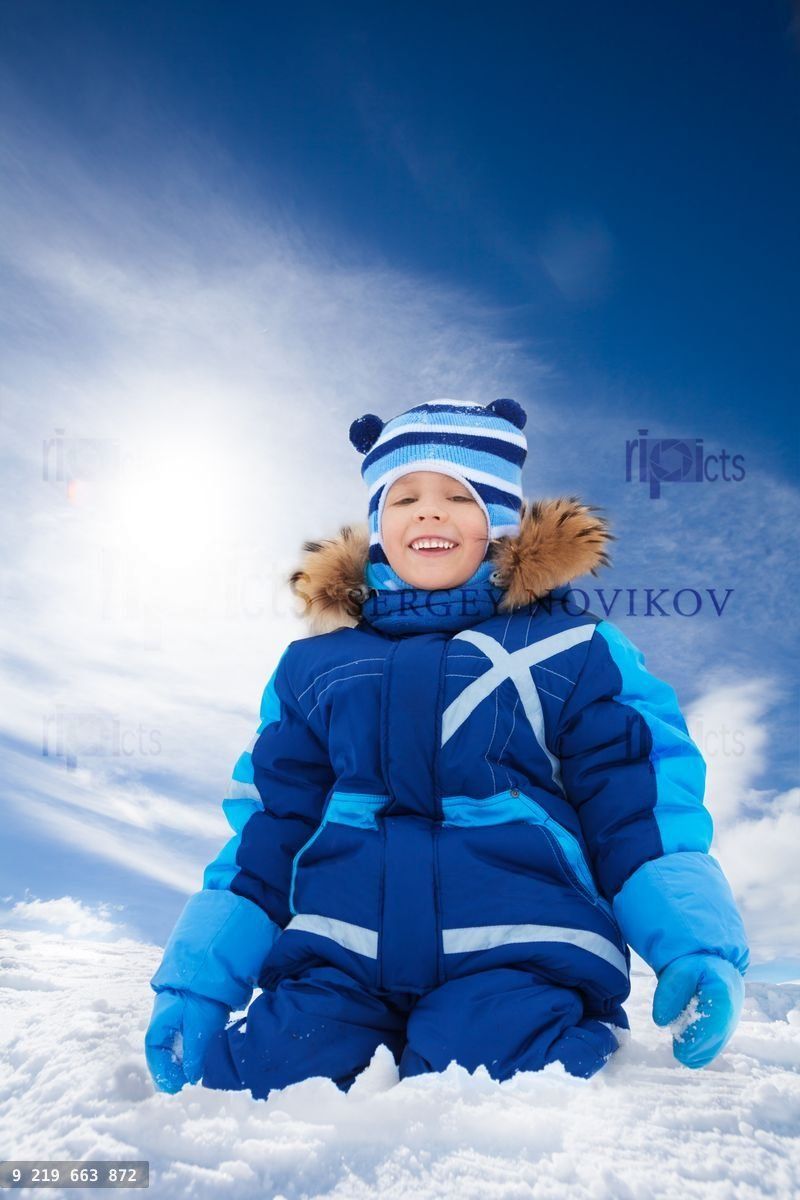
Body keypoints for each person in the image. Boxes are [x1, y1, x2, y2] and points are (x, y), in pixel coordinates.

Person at [145, 397, 749, 1098]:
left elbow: (637, 806)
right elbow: (270, 828)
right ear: (379, 525)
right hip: (340, 956)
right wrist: (197, 981)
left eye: (458, 497)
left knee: (493, 1085)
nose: (428, 513)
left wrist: (693, 941)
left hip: (520, 952)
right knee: (262, 1083)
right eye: (404, 498)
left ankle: (544, 1052)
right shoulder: (316, 666)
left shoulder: (571, 648)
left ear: (501, 521)